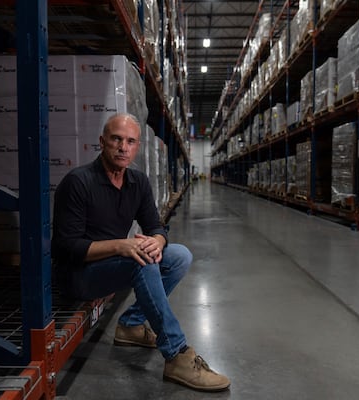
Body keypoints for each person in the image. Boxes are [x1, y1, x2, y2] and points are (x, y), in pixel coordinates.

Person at [51, 112, 230, 392]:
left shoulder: (138, 182)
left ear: (137, 147)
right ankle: (176, 355)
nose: (123, 147)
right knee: (141, 262)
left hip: (111, 264)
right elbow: (66, 249)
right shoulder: (78, 182)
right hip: (78, 275)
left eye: (131, 141)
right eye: (116, 139)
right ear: (102, 142)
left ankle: (131, 325)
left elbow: (156, 226)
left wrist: (157, 241)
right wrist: (122, 245)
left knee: (180, 255)